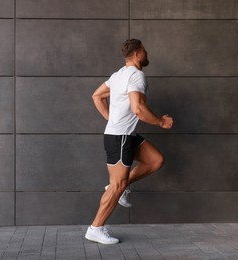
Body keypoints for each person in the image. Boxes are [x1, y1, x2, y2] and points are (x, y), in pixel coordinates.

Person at [85, 39, 173, 244]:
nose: (146, 53)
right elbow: (138, 109)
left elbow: (97, 96)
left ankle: (119, 187)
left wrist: (111, 118)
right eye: (144, 50)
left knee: (155, 160)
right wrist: (161, 122)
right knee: (117, 184)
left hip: (126, 135)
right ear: (137, 54)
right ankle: (95, 228)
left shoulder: (118, 75)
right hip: (120, 137)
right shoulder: (136, 75)